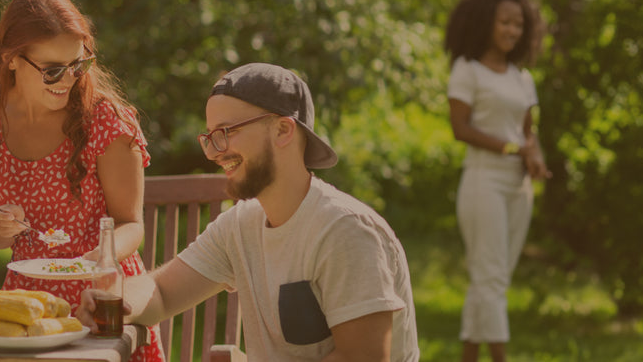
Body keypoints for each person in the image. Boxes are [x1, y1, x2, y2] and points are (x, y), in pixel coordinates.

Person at [78, 63, 419, 361]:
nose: (215, 153)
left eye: (226, 133)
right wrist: (115, 300)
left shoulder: (345, 231)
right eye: (210, 137)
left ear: (283, 130)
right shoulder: (240, 226)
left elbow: (362, 358)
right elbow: (163, 293)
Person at [0, 0, 163, 361]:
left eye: (77, 65)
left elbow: (131, 225)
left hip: (103, 299)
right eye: (53, 70)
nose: (68, 80)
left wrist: (95, 259)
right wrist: (0, 225)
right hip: (30, 307)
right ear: (11, 59)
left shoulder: (104, 120)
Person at [444, 0, 550, 362]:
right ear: (486, 23)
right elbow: (460, 129)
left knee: (492, 279)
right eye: (504, 22)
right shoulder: (467, 70)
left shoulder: (522, 78)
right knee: (490, 278)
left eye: (518, 24)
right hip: (483, 180)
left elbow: (528, 133)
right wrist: (512, 149)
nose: (512, 30)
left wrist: (534, 158)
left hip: (518, 187)